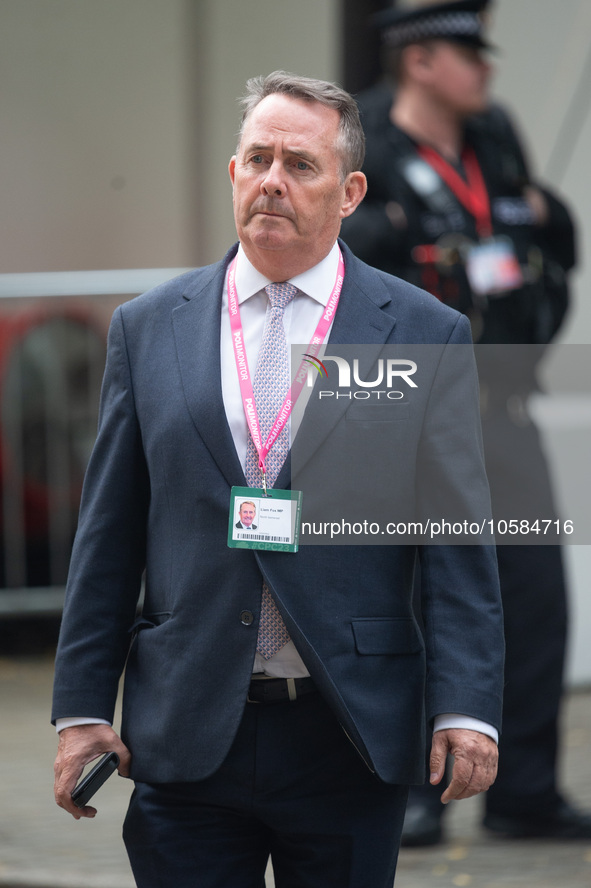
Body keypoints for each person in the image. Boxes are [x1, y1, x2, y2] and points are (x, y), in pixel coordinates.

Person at [52, 71, 504, 887]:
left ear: (349, 191)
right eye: (257, 158)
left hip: (346, 731)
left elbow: (456, 539)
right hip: (187, 728)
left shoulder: (424, 333)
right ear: (232, 174)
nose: (271, 180)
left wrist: (466, 708)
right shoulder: (149, 327)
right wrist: (82, 710)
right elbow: (108, 535)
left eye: (299, 165)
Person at [341, 0, 589, 844]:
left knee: (533, 598)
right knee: (408, 600)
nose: (487, 69)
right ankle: (412, 790)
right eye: (469, 55)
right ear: (418, 61)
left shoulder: (494, 134)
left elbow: (539, 230)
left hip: (502, 406)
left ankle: (522, 793)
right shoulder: (363, 134)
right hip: (408, 412)